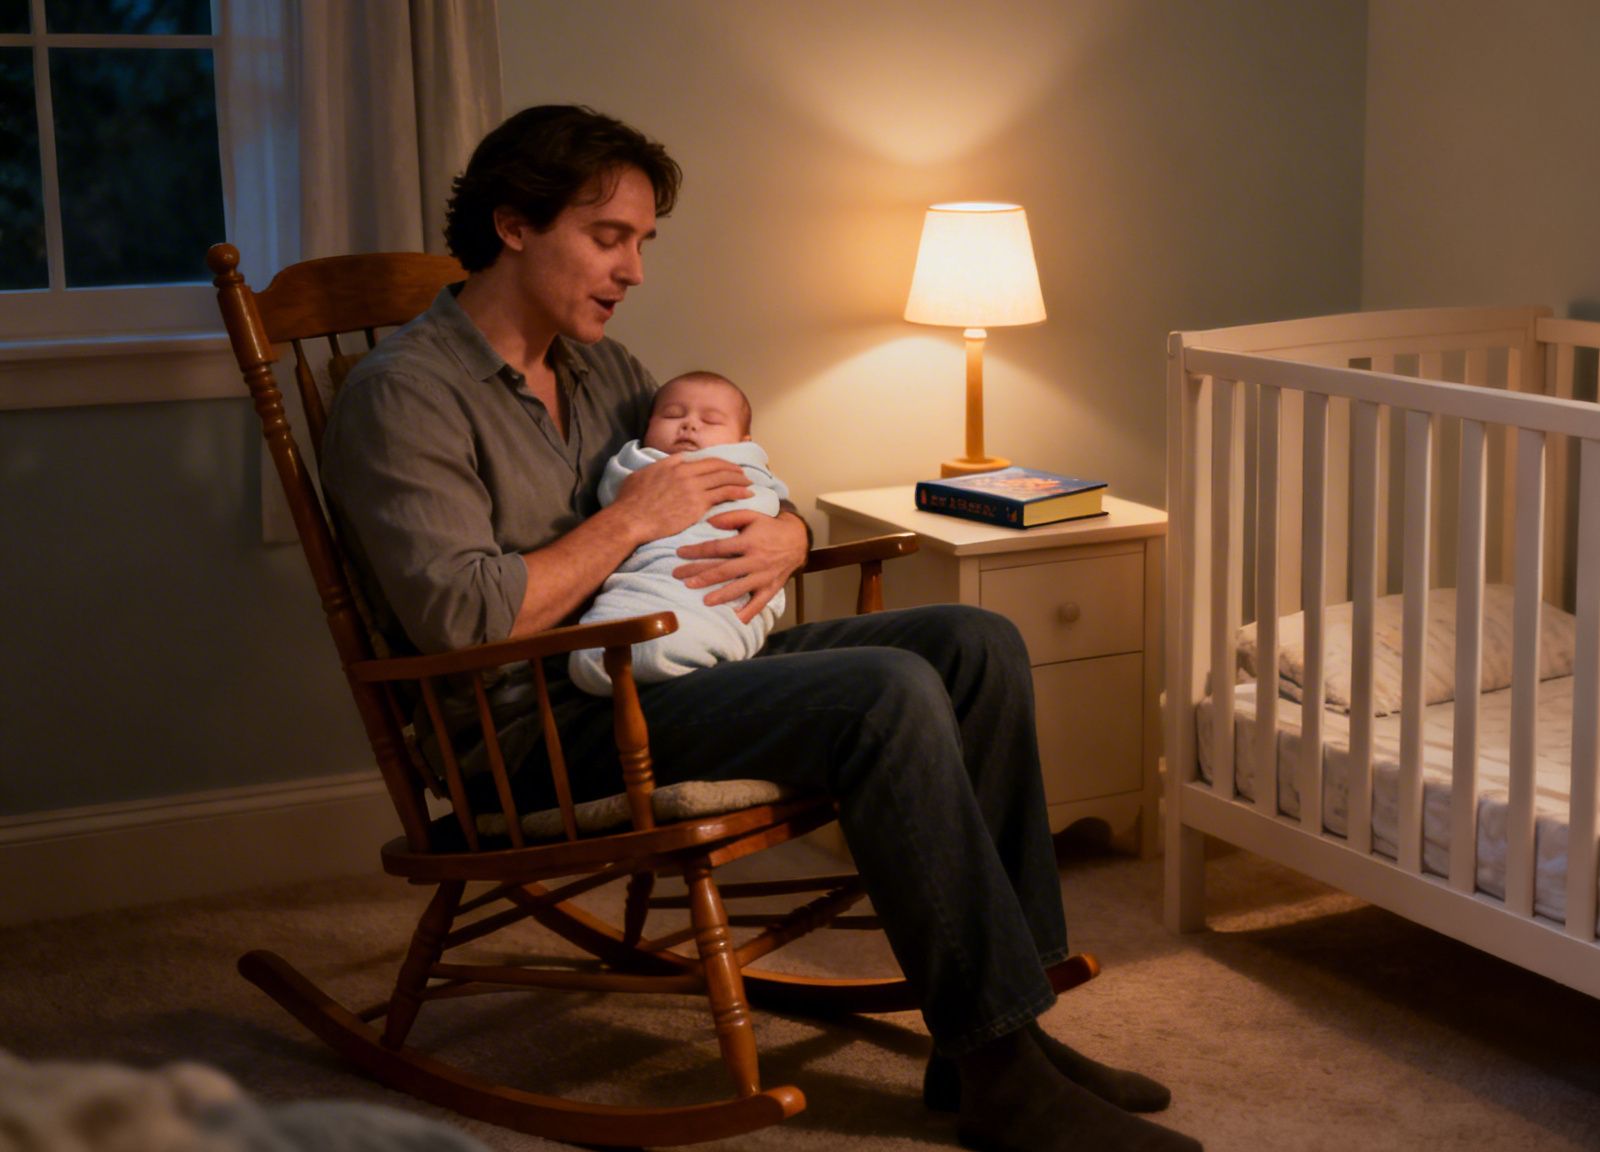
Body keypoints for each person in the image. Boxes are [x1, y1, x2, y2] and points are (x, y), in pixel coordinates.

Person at [318, 104, 1199, 1152]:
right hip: (537, 731)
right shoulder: (401, 398)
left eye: (643, 241)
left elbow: (731, 476)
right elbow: (463, 615)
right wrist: (629, 522)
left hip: (659, 671)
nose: (633, 269)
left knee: (972, 644)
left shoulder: (599, 366)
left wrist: (785, 532)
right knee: (884, 692)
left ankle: (1008, 1025)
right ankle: (998, 1070)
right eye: (609, 238)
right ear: (515, 225)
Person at [566, 369, 786, 694]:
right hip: (656, 581)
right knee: (617, 644)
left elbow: (777, 504)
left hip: (731, 587)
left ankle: (697, 642)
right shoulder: (638, 462)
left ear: (744, 443)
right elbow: (616, 501)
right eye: (672, 415)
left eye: (710, 421)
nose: (689, 424)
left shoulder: (751, 468)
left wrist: (791, 534)